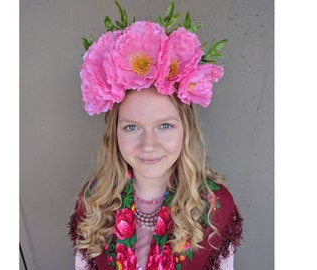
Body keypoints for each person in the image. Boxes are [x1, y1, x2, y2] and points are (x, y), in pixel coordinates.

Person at [68, 2, 243, 270]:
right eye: (131, 127)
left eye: (165, 126)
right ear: (114, 133)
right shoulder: (93, 203)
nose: (148, 145)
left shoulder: (215, 208)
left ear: (186, 129)